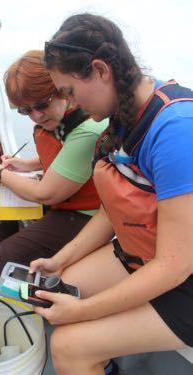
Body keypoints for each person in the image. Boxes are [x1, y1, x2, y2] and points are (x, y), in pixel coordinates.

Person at [28, 13, 193, 375]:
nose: (70, 103)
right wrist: (60, 259)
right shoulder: (121, 117)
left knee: (67, 345)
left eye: (69, 91)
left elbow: (175, 265)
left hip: (183, 279)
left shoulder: (175, 131)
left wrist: (83, 312)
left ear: (100, 70)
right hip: (143, 253)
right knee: (59, 288)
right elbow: (112, 210)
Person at [0, 49, 107, 296]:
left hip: (82, 215)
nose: (36, 116)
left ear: (62, 89)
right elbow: (62, 156)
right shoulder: (58, 120)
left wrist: (0, 173)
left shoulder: (87, 130)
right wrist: (24, 165)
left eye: (41, 104)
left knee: (3, 255)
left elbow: (45, 194)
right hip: (62, 200)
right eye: (25, 111)